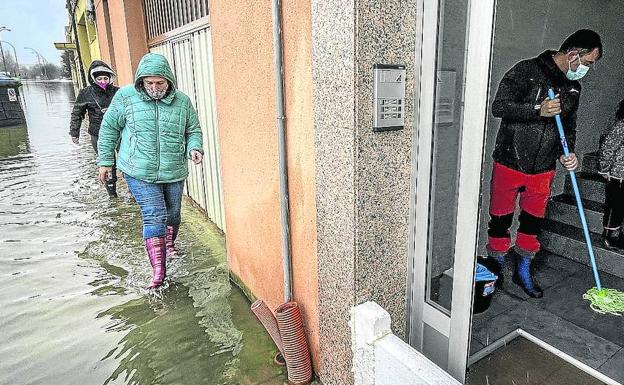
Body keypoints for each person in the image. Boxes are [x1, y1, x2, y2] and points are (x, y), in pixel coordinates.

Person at [487, 29, 602, 298]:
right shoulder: (526, 70)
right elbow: (499, 107)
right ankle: (497, 267)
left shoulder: (573, 87)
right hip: (509, 161)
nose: (586, 69)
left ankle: (522, 269)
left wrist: (568, 153)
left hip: (543, 169)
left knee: (532, 223)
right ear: (574, 54)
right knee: (500, 220)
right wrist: (537, 110)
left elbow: (569, 127)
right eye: (587, 63)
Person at [97, 53, 204, 289]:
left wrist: (195, 147)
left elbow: (193, 129)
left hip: (173, 169)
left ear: (169, 81)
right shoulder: (125, 97)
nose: (155, 88)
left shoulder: (182, 102)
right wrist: (105, 161)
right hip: (138, 169)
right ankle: (159, 270)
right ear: (141, 82)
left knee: (173, 215)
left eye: (160, 83)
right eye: (149, 83)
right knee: (155, 214)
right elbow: (109, 129)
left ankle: (168, 245)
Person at [70, 60, 120, 197]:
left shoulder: (118, 92)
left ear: (110, 78)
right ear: (93, 79)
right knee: (107, 162)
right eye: (99, 79)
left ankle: (133, 190)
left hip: (120, 132)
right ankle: (112, 194)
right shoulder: (85, 93)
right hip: (97, 133)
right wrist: (74, 132)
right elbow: (77, 113)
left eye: (105, 78)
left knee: (126, 159)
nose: (103, 81)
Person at [598, 99, 624, 250]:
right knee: (615, 207)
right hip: (618, 175)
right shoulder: (622, 125)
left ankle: (617, 234)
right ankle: (609, 236)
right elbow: (608, 147)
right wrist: (605, 169)